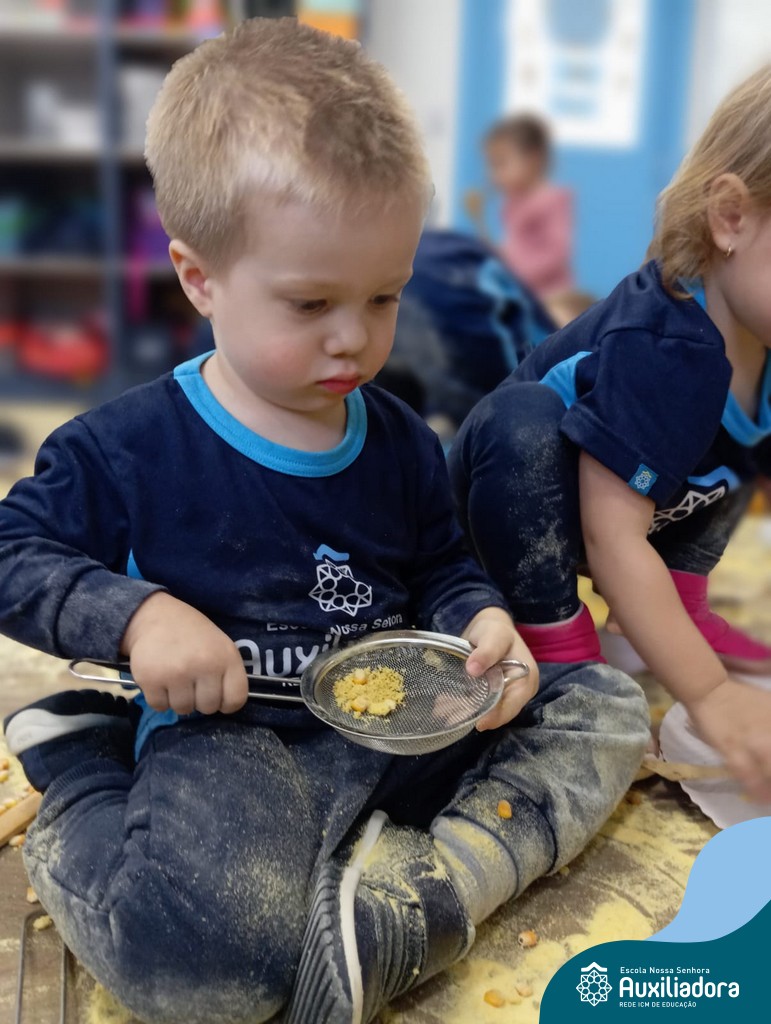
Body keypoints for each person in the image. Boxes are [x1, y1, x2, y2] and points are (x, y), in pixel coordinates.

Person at [0, 19, 648, 1024]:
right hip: (236, 745)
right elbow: (13, 551)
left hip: (403, 726)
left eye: (384, 296)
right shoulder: (126, 447)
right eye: (309, 305)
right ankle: (84, 760)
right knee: (208, 969)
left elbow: (439, 562)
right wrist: (136, 617)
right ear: (199, 277)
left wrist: (477, 620)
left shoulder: (397, 439)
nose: (355, 338)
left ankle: (436, 884)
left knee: (605, 708)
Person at [450, 65, 771, 811]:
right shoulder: (665, 346)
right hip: (507, 511)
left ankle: (668, 608)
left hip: (623, 507)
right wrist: (711, 695)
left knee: (738, 447)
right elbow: (612, 536)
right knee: (524, 421)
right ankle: (555, 632)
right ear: (730, 217)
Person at [483, 113, 573, 298]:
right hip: (520, 293)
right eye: (491, 165)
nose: (493, 175)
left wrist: (515, 272)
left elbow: (557, 253)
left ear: (533, 160)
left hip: (549, 296)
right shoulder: (512, 203)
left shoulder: (551, 200)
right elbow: (518, 245)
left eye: (501, 164)